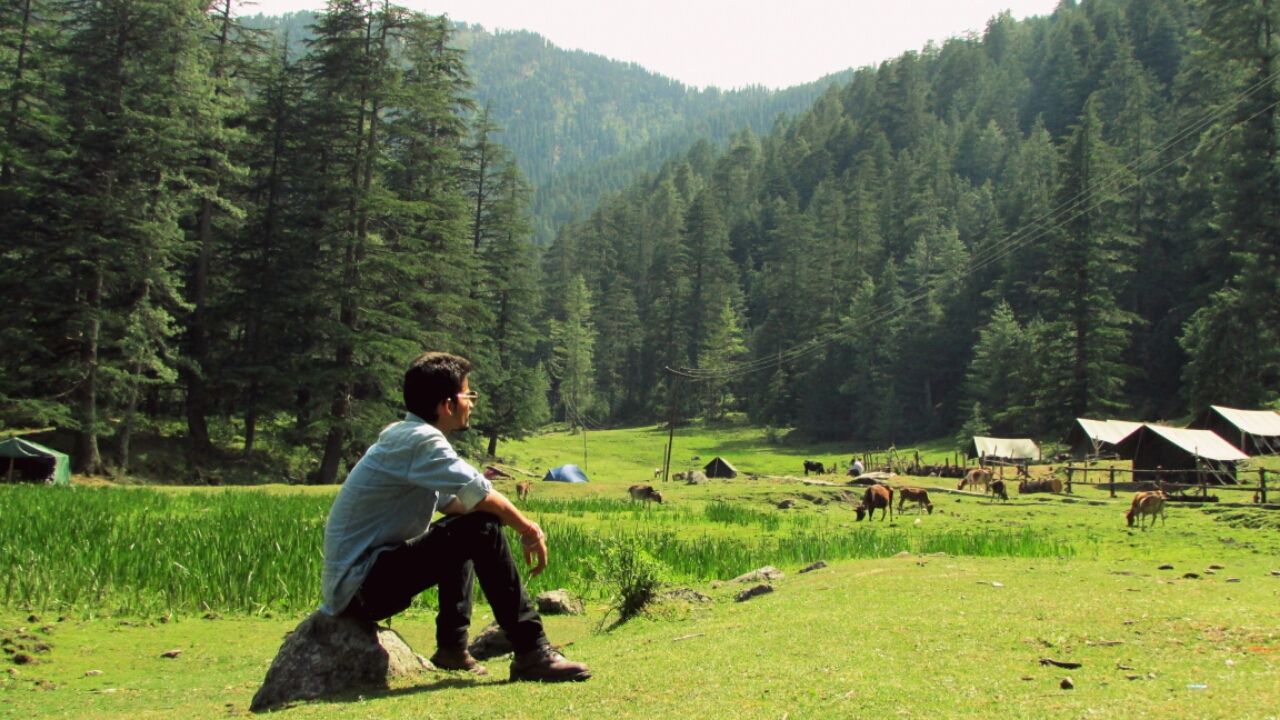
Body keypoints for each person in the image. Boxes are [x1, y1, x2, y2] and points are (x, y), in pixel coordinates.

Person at [320, 351, 591, 683]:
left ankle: (452, 648)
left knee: (471, 525)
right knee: (481, 525)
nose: (472, 403)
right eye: (469, 395)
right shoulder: (420, 440)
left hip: (361, 583)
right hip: (360, 585)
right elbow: (481, 492)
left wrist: (490, 511)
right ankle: (532, 651)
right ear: (447, 404)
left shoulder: (408, 436)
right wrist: (528, 529)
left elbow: (458, 503)